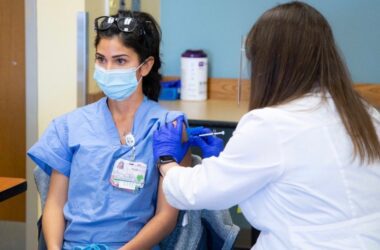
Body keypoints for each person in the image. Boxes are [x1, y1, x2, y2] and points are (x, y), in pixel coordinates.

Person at [153, 2, 380, 249]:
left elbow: (198, 192)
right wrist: (226, 165)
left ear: (267, 63)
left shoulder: (271, 125)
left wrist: (167, 161)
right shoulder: (363, 113)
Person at [28, 10, 191, 250]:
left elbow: (166, 218)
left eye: (120, 61)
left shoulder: (169, 128)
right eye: (101, 59)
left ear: (145, 66)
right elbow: (53, 205)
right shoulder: (69, 126)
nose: (108, 69)